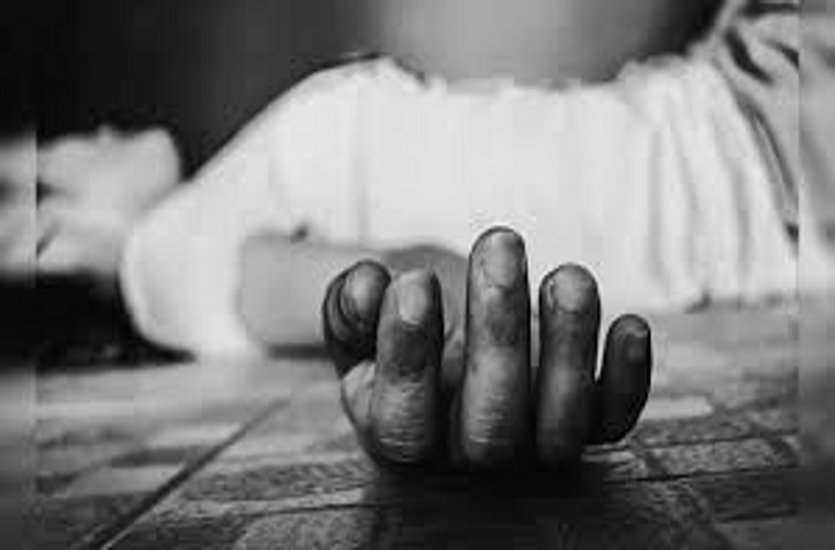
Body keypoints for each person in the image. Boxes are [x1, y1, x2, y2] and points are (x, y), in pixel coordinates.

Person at [32, 0, 834, 469]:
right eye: (52, 157)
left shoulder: (202, 213)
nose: (94, 130)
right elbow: (406, 286)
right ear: (42, 240)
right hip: (759, 146)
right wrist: (475, 343)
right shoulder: (160, 258)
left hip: (743, 108)